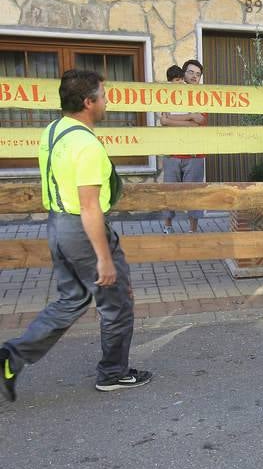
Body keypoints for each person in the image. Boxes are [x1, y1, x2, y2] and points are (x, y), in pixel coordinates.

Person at [1, 70, 152, 403]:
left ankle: (12, 355)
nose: (108, 101)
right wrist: (104, 259)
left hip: (57, 226)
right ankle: (113, 374)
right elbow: (89, 208)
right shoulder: (87, 145)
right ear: (89, 102)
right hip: (82, 231)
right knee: (117, 303)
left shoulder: (53, 131)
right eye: (104, 95)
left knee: (71, 299)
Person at [160, 59, 207, 234]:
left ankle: (193, 231)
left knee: (194, 195)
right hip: (172, 153)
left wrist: (170, 121)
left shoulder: (202, 97)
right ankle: (167, 227)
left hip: (195, 154)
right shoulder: (169, 95)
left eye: (198, 74)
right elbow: (162, 120)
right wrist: (189, 116)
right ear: (184, 74)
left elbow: (199, 122)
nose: (194, 76)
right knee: (169, 194)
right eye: (191, 72)